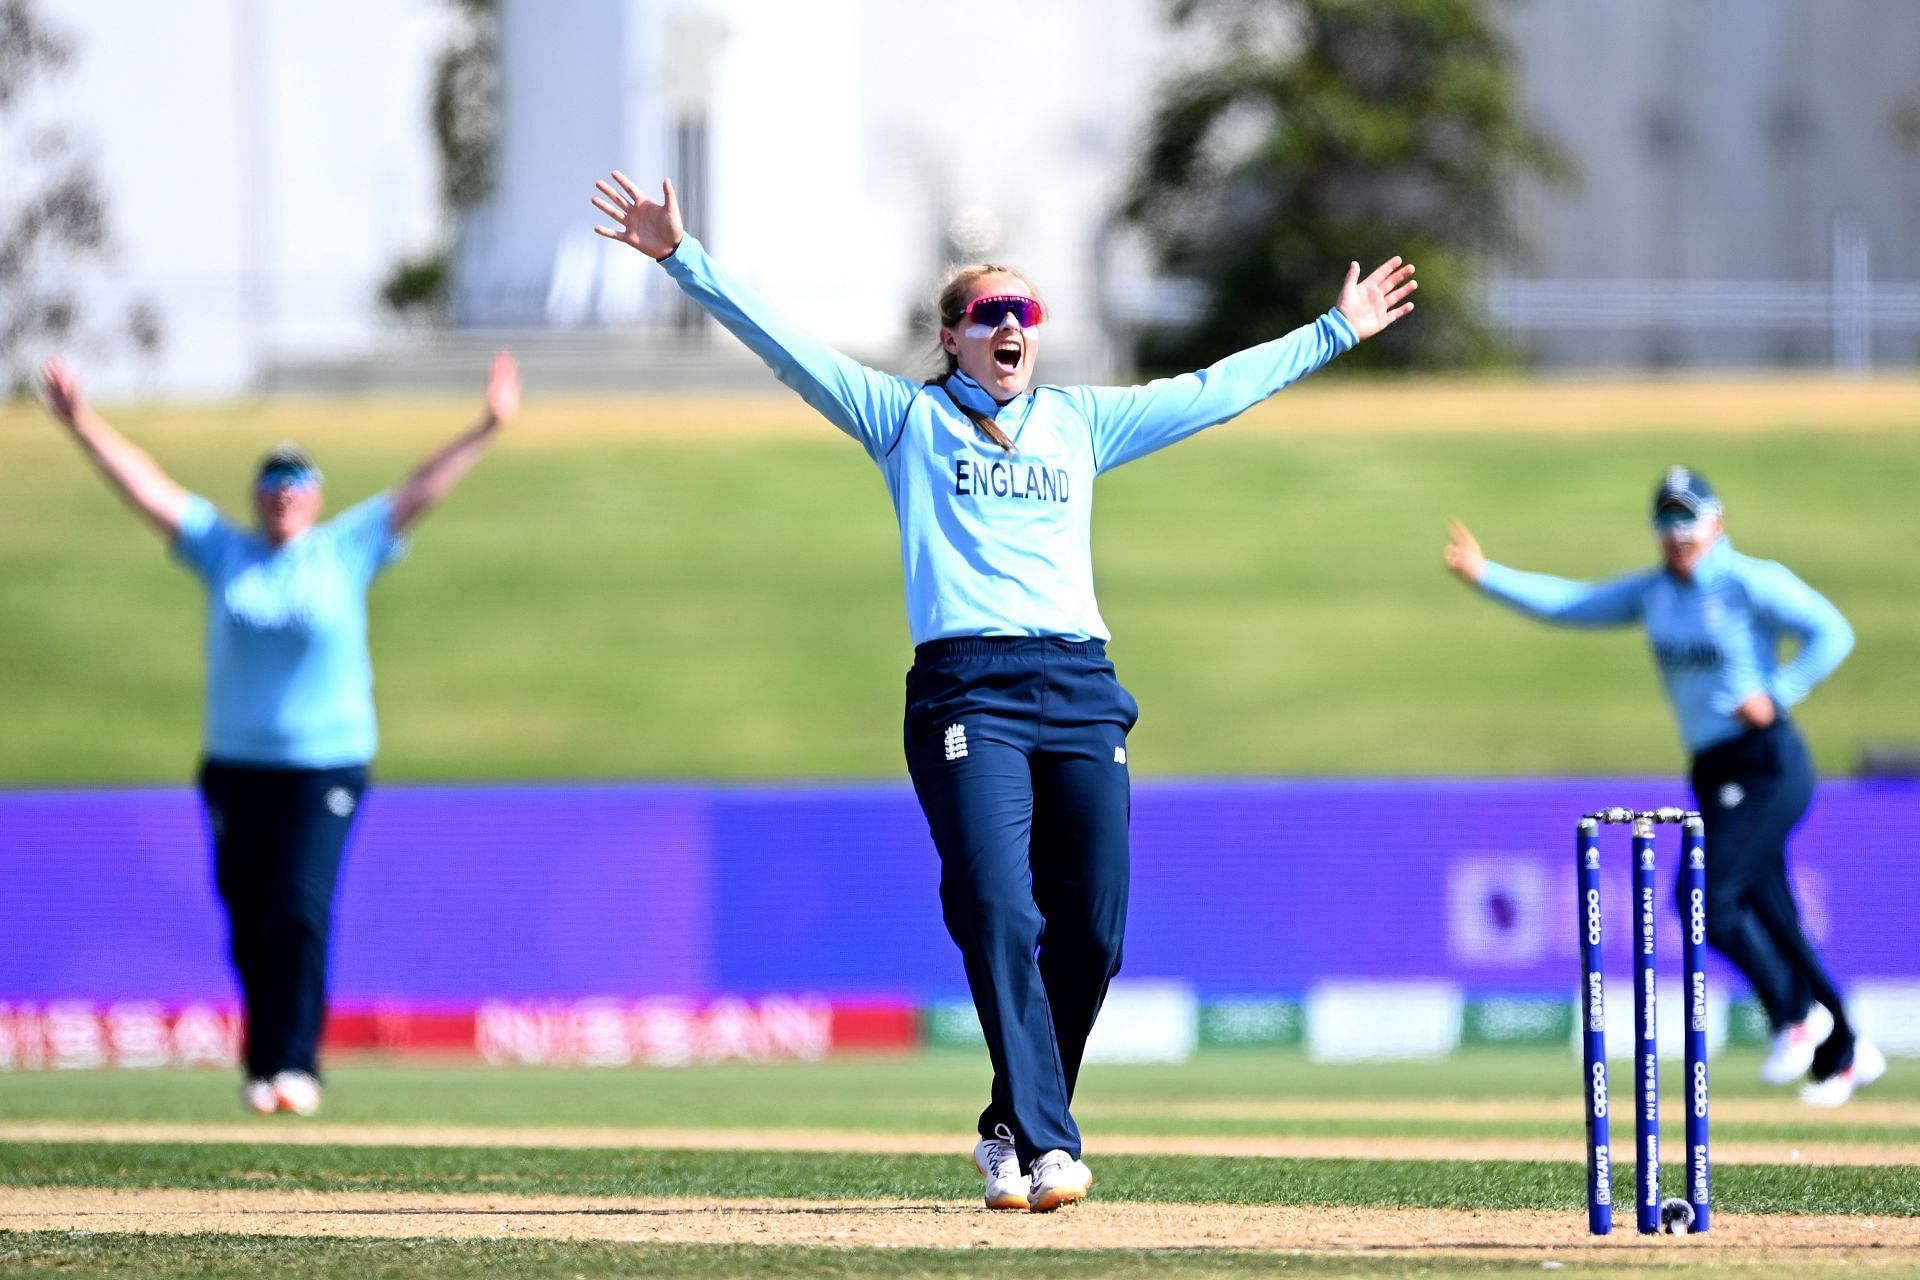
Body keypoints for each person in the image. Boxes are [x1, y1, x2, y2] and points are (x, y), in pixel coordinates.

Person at [591, 172, 1415, 1208]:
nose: (1013, 327)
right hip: (967, 692)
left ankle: (1006, 1122)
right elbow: (786, 345)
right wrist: (682, 257)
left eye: (1026, 312)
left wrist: (1333, 330)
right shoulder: (904, 421)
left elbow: (1211, 390)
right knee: (995, 905)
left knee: (1098, 925)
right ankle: (1049, 1142)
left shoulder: (1079, 423)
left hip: (1079, 683)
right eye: (990, 314)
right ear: (952, 338)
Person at [38, 352, 520, 1115]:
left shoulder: (344, 548)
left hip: (324, 765)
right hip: (236, 766)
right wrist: (82, 422)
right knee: (250, 918)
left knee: (300, 905)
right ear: (257, 498)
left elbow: (420, 488)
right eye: (271, 486)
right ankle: (262, 1067)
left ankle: (296, 1065)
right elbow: (149, 490)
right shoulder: (224, 550)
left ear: (316, 497)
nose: (282, 497)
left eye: (296, 486)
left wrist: (487, 424)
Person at [1445, 467, 1883, 1106]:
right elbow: (1572, 602)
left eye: (1691, 520)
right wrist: (1487, 575)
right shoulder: (1654, 594)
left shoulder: (1747, 582)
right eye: (1668, 522)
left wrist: (1779, 692)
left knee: (1703, 896)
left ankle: (1796, 1018)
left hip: (1769, 763)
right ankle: (1844, 1045)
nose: (1680, 535)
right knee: (1775, 915)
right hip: (1713, 770)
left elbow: (1832, 632)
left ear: (1717, 523)